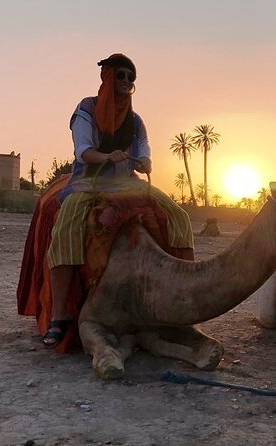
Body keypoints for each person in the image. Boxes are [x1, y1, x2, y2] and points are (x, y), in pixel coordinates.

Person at [43, 53, 194, 347]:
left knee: (179, 218)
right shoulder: (86, 109)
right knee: (66, 227)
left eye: (131, 78)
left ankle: (183, 298)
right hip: (91, 181)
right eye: (121, 75)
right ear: (108, 77)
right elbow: (83, 151)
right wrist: (106, 156)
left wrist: (145, 163)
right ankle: (59, 316)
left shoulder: (135, 121)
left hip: (126, 183)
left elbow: (144, 150)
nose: (126, 82)